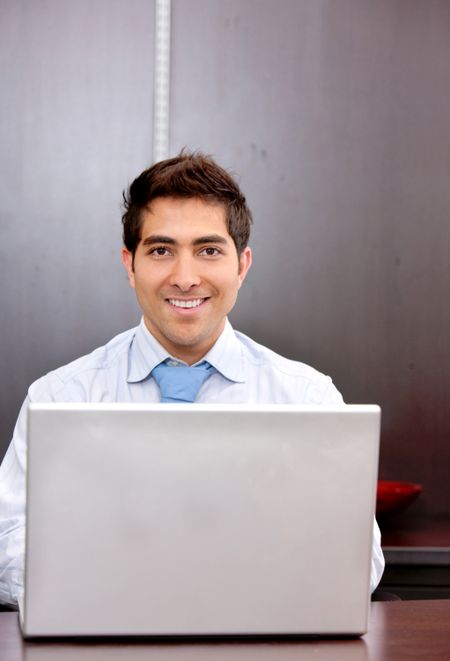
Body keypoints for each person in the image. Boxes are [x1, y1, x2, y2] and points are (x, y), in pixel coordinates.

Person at [0, 151, 384, 607]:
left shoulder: (307, 397)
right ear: (130, 265)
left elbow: (359, 560)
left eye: (208, 250)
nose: (185, 278)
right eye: (161, 250)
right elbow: (9, 540)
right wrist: (139, 590)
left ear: (241, 266)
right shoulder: (58, 398)